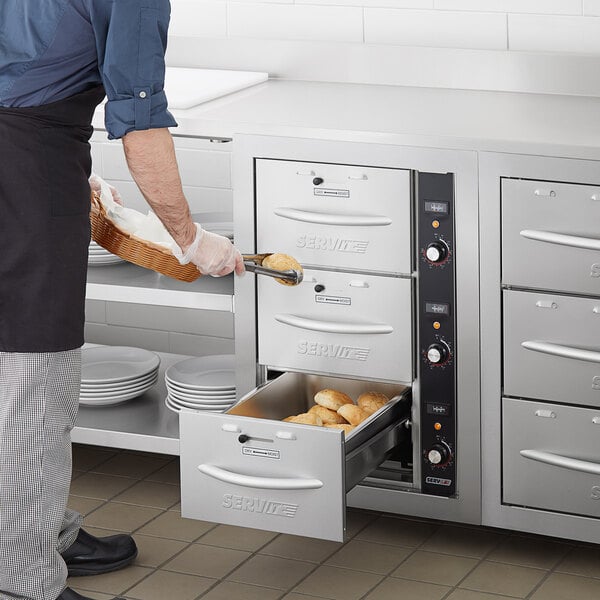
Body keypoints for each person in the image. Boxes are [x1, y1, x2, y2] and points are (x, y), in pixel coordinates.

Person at [0, 2, 244, 600]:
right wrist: (191, 240)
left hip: (30, 149)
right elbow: (140, 123)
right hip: (28, 164)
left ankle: (41, 533)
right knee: (36, 377)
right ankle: (24, 580)